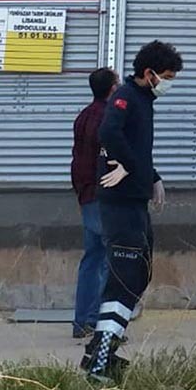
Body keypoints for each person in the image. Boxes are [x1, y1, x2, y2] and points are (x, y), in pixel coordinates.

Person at [80, 40, 183, 383]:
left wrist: (151, 175)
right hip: (120, 203)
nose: (169, 83)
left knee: (139, 273)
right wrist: (128, 165)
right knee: (125, 278)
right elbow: (108, 130)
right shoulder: (126, 96)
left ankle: (99, 348)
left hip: (133, 202)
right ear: (149, 73)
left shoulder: (144, 101)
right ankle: (100, 362)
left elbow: (135, 145)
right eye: (166, 76)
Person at [70, 67, 119, 339]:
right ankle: (99, 322)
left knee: (92, 259)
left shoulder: (83, 116)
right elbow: (109, 157)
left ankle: (82, 321)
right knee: (109, 260)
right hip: (103, 196)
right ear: (112, 89)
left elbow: (78, 157)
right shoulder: (107, 118)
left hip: (87, 194)